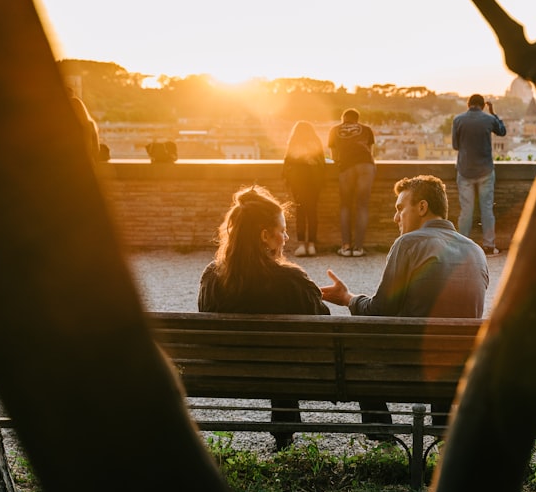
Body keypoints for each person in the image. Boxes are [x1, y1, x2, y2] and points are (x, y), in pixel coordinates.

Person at [321, 174, 488, 430]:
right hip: (462, 369)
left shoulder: (409, 243)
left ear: (422, 207)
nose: (395, 218)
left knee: (355, 354)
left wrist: (347, 298)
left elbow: (379, 310)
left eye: (400, 208)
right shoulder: (476, 250)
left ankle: (382, 434)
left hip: (411, 368)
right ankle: (441, 432)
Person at [197, 185, 329, 452]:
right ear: (265, 236)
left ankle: (284, 435)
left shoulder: (213, 277)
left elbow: (205, 315)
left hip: (226, 369)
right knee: (284, 354)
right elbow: (322, 326)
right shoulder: (291, 280)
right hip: (286, 369)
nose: (286, 236)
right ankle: (285, 436)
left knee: (279, 352)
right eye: (282, 231)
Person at [452, 93, 507, 255]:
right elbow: (502, 132)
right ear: (483, 105)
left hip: (465, 170)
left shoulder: (458, 120)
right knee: (487, 209)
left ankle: (462, 246)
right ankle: (489, 245)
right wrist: (493, 112)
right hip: (485, 171)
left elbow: (456, 146)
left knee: (466, 211)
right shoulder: (489, 120)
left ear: (468, 104)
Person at [328, 108, 375, 257]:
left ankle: (346, 247)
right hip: (366, 165)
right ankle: (359, 248)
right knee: (362, 206)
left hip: (346, 167)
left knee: (345, 206)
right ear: (357, 119)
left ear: (343, 119)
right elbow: (370, 151)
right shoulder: (366, 129)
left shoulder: (334, 130)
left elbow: (334, 155)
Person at [283, 121, 326, 256]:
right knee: (312, 212)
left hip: (298, 182)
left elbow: (287, 164)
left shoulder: (293, 144)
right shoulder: (316, 143)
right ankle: (312, 245)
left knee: (300, 212)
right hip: (314, 182)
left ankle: (302, 245)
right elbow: (322, 163)